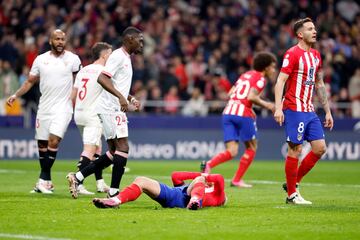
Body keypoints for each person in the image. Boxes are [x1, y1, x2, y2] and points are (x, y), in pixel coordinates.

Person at [66, 27, 143, 199]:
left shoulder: (125, 58)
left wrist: (128, 98)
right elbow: (102, 78)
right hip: (111, 109)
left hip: (111, 107)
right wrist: (121, 98)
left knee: (114, 152)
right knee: (123, 148)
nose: (142, 44)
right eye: (140, 40)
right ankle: (114, 192)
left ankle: (77, 177)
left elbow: (115, 83)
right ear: (130, 39)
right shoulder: (117, 56)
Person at [7, 29, 82, 194]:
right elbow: (29, 81)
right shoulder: (40, 60)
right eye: (57, 39)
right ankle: (46, 182)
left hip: (63, 107)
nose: (60, 42)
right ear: (50, 41)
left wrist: (77, 96)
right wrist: (15, 94)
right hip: (44, 107)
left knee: (54, 140)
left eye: (63, 39)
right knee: (42, 144)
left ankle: (42, 179)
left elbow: (81, 80)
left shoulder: (73, 59)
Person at [273, 18, 334, 205]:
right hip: (293, 108)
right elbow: (280, 81)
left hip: (309, 109)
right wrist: (278, 108)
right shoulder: (292, 54)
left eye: (314, 28)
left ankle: (293, 183)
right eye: (309, 29)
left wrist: (328, 111)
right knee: (295, 150)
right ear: (300, 34)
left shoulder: (316, 55)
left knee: (320, 148)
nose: (314, 31)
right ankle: (292, 195)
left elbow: (319, 84)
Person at [201, 52, 277, 188]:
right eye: (272, 67)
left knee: (232, 151)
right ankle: (236, 180)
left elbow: (231, 93)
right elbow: (251, 97)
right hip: (242, 114)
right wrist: (269, 105)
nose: (273, 70)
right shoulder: (261, 79)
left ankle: (208, 164)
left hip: (228, 112)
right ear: (265, 68)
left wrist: (245, 105)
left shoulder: (245, 75)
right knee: (252, 147)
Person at [71, 42, 113, 195]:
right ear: (104, 55)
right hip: (92, 115)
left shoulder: (84, 70)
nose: (111, 56)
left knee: (97, 147)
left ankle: (100, 183)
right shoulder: (104, 71)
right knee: (89, 149)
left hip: (79, 112)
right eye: (110, 53)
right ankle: (78, 182)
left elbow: (73, 94)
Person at [92, 171, 227, 210]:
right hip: (174, 195)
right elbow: (176, 175)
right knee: (141, 179)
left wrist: (203, 177)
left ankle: (195, 201)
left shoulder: (218, 195)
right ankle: (115, 200)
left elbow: (219, 178)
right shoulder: (199, 183)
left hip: (189, 200)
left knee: (199, 181)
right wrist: (201, 176)